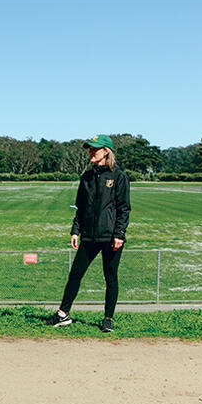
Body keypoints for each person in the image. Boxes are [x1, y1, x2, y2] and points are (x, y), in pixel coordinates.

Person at [46, 134, 131, 332]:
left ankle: (108, 319)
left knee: (110, 278)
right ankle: (63, 315)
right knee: (75, 274)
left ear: (106, 151)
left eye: (95, 149)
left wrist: (119, 234)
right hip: (89, 236)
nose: (91, 152)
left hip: (111, 238)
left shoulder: (118, 176)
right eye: (90, 149)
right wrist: (75, 231)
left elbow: (124, 208)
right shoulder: (87, 177)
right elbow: (81, 208)